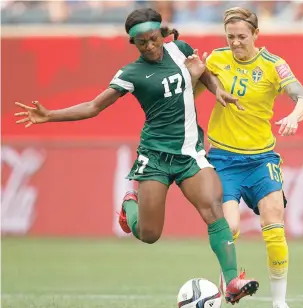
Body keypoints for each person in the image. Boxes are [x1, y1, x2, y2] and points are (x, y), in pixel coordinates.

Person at [14, 7, 260, 305]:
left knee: (213, 206)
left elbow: (202, 72)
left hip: (189, 154)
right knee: (148, 233)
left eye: (154, 39)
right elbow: (94, 107)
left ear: (160, 34)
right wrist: (49, 115)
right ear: (134, 44)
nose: (150, 46)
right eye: (142, 43)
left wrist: (217, 90)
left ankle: (232, 282)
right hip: (155, 158)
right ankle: (130, 206)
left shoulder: (179, 50)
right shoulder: (131, 73)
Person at [195, 7, 303, 308]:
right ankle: (230, 289)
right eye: (230, 36)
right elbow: (195, 94)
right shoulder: (217, 59)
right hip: (223, 160)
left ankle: (279, 302)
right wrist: (195, 74)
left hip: (261, 160)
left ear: (256, 35)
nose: (235, 43)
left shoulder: (274, 65)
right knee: (230, 228)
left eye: (242, 37)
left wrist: (294, 117)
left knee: (274, 221)